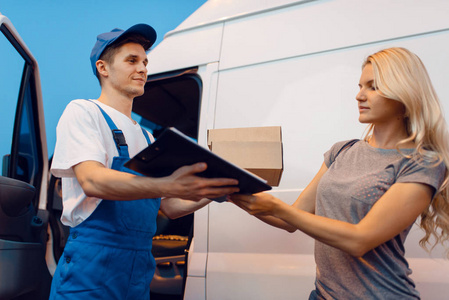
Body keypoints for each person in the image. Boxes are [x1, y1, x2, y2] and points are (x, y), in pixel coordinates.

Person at [230, 47, 449, 299]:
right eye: (360, 86)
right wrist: (233, 190)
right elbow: (289, 221)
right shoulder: (342, 151)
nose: (359, 96)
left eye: (373, 87)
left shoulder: (421, 163)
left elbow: (360, 240)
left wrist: (279, 208)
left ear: (404, 94)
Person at [49, 24, 239, 299]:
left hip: (138, 267)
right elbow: (93, 180)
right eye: (132, 60)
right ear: (103, 68)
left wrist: (215, 191)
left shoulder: (147, 137)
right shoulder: (84, 112)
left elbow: (169, 206)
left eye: (145, 62)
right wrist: (167, 184)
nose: (142, 69)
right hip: (92, 260)